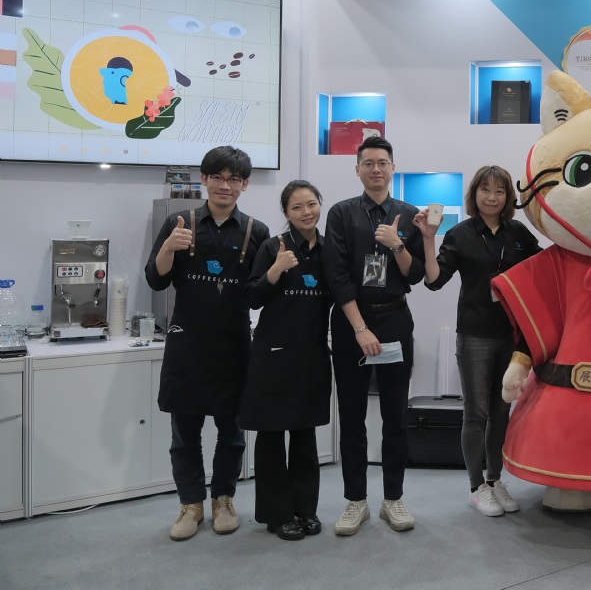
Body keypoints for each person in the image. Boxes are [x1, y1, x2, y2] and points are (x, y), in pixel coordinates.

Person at [145, 145, 270, 541]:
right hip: (187, 344)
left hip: (234, 346)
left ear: (245, 184)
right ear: (204, 179)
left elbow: (257, 295)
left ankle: (223, 500)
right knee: (185, 433)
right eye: (217, 177)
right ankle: (190, 505)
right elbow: (156, 279)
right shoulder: (179, 222)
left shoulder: (256, 231)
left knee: (232, 434)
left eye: (234, 179)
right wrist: (169, 247)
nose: (224, 185)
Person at [414, 165, 542, 517]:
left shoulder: (518, 233)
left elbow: (544, 268)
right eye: (485, 190)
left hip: (511, 335)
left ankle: (494, 479)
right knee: (476, 413)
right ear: (474, 194)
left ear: (508, 197)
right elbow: (434, 280)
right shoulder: (460, 234)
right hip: (474, 335)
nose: (492, 197)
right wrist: (429, 239)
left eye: (499, 191)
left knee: (502, 410)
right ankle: (476, 487)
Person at [322, 136, 425, 536]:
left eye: (382, 162)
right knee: (351, 416)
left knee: (395, 415)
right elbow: (336, 275)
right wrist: (359, 327)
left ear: (393, 168)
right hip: (352, 322)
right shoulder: (341, 213)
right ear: (358, 170)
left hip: (395, 319)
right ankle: (356, 501)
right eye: (368, 163)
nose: (376, 169)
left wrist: (397, 244)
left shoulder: (409, 214)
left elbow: (416, 274)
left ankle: (393, 498)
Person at [240, 180, 333, 541]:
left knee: (305, 435)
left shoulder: (329, 249)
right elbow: (252, 297)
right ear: (286, 213)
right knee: (271, 436)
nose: (306, 212)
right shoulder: (272, 247)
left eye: (312, 204)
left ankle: (306, 509)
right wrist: (275, 270)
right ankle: (277, 514)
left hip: (312, 355)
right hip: (274, 357)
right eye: (297, 207)